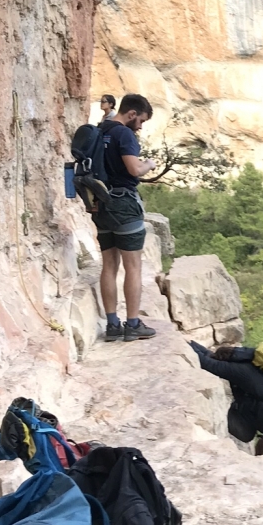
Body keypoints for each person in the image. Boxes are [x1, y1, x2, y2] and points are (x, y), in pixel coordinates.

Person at [94, 93, 158, 343]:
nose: (140, 126)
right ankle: (132, 324)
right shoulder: (124, 134)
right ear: (131, 114)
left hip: (100, 204)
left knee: (109, 265)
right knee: (133, 266)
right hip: (123, 204)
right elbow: (134, 169)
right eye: (140, 120)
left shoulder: (100, 130)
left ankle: (112, 325)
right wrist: (148, 164)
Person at [190, 339, 263, 452]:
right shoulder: (254, 360)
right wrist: (191, 343)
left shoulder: (240, 371)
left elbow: (208, 363)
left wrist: (185, 345)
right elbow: (210, 356)